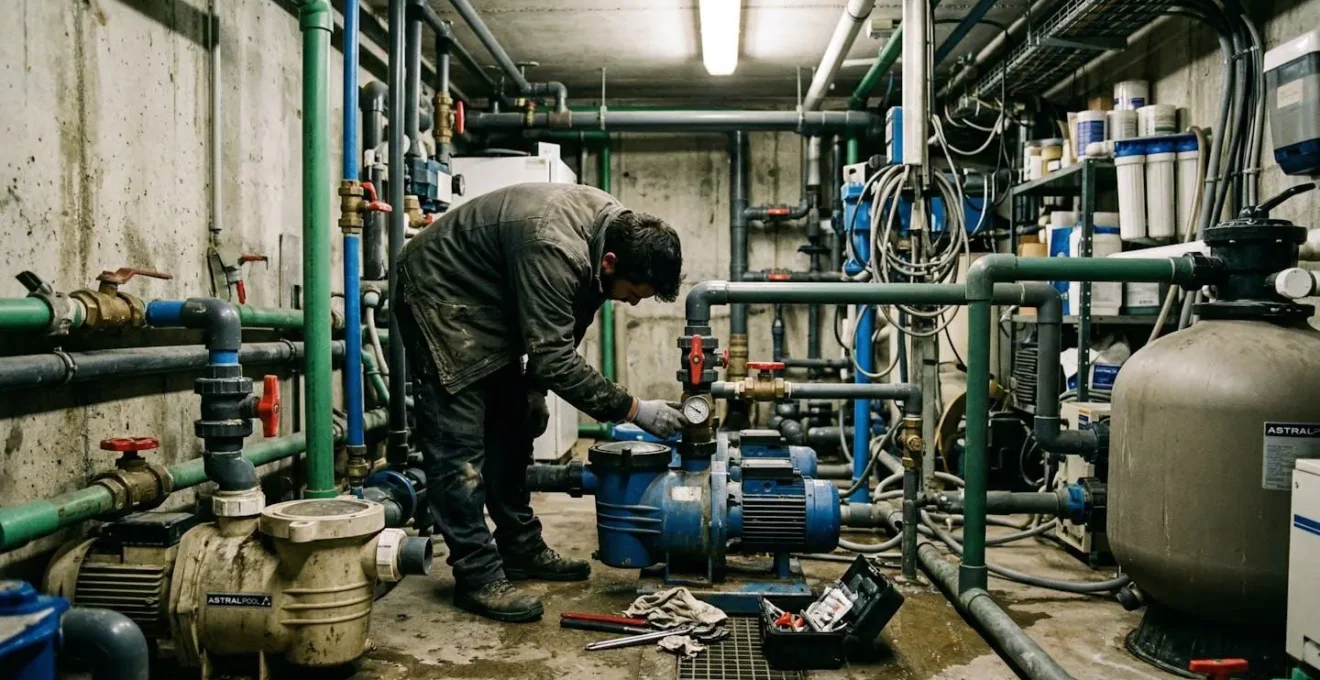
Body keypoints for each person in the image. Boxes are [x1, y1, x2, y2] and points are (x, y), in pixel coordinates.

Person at [395, 182, 686, 623]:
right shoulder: (555, 247)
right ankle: (477, 576)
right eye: (631, 292)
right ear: (610, 264)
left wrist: (532, 389)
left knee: (514, 429)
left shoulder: (614, 231)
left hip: (494, 302)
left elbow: (568, 323)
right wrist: (634, 409)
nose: (628, 301)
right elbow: (554, 357)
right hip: (442, 294)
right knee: (460, 448)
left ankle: (521, 549)